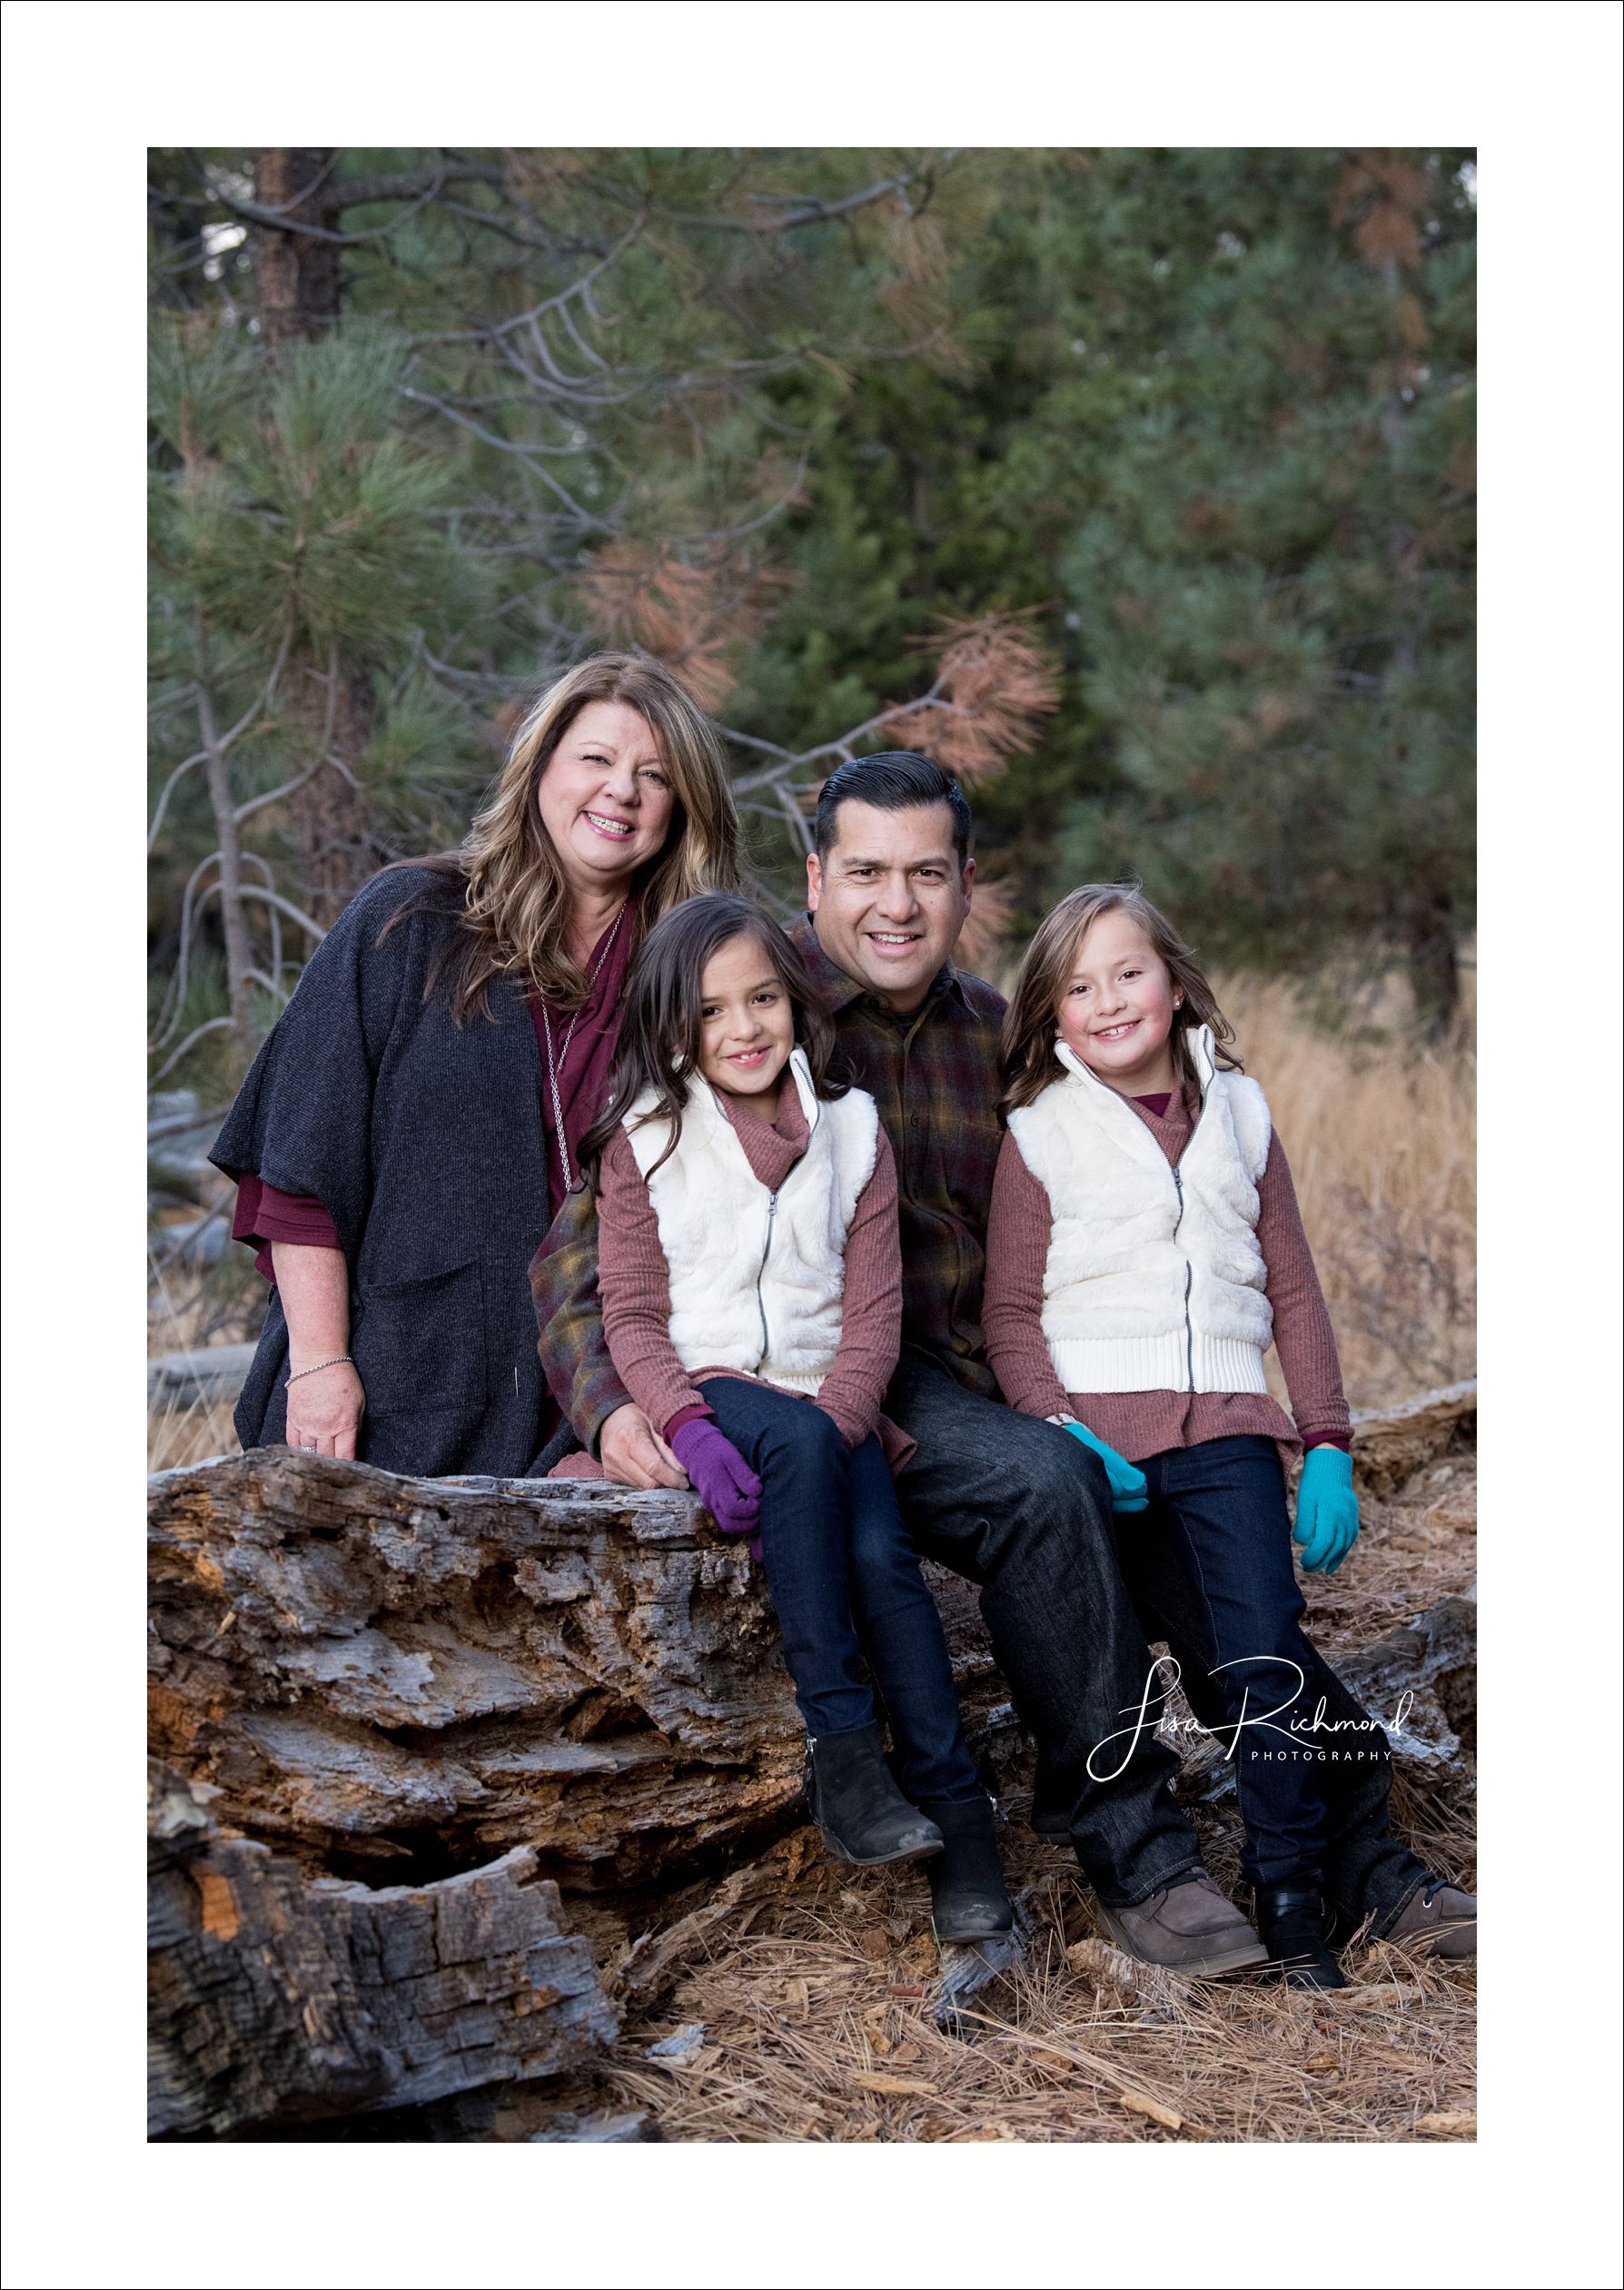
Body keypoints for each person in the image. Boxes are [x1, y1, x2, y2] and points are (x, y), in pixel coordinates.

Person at [536, 751, 1275, 1975]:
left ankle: (1345, 1836)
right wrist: (622, 1407)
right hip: (854, 1387)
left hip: (1010, 1366)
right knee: (1047, 1486)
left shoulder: (1003, 1034)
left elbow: (1137, 1165)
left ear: (967, 883)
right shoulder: (745, 1000)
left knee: (1194, 1514)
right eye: (866, 871)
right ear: (815, 875)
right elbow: (584, 1255)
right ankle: (1136, 1852)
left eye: (926, 874)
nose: (896, 902)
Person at [983, 883, 1477, 1985]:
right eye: (1078, 985)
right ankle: (1339, 1867)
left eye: (1129, 972)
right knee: (1228, 1660)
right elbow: (1010, 1314)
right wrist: (1061, 1430)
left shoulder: (1241, 1111)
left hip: (1232, 1437)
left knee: (1262, 1656)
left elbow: (1293, 1289)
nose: (1108, 1000)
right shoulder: (1041, 1135)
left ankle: (1293, 1896)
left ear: (1174, 980)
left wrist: (1331, 1442)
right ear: (1050, 1014)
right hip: (1104, 1452)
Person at [572, 891, 1013, 1941]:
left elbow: (873, 1316)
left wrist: (846, 1422)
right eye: (713, 1009)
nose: (743, 1028)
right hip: (717, 1383)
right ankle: (842, 1748)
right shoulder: (650, 1136)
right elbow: (629, 1313)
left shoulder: (853, 1133)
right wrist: (684, 1426)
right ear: (675, 1025)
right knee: (831, 1483)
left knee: (884, 1562)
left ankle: (960, 1826)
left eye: (763, 997)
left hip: (830, 1401)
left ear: (795, 1002)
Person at [210, 653, 742, 1478]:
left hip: (602, 1398)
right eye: (595, 760)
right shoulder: (406, 924)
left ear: (681, 809)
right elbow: (297, 1176)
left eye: (655, 775)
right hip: (394, 1384)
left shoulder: (702, 982)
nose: (621, 791)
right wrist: (320, 1368)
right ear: (540, 770)